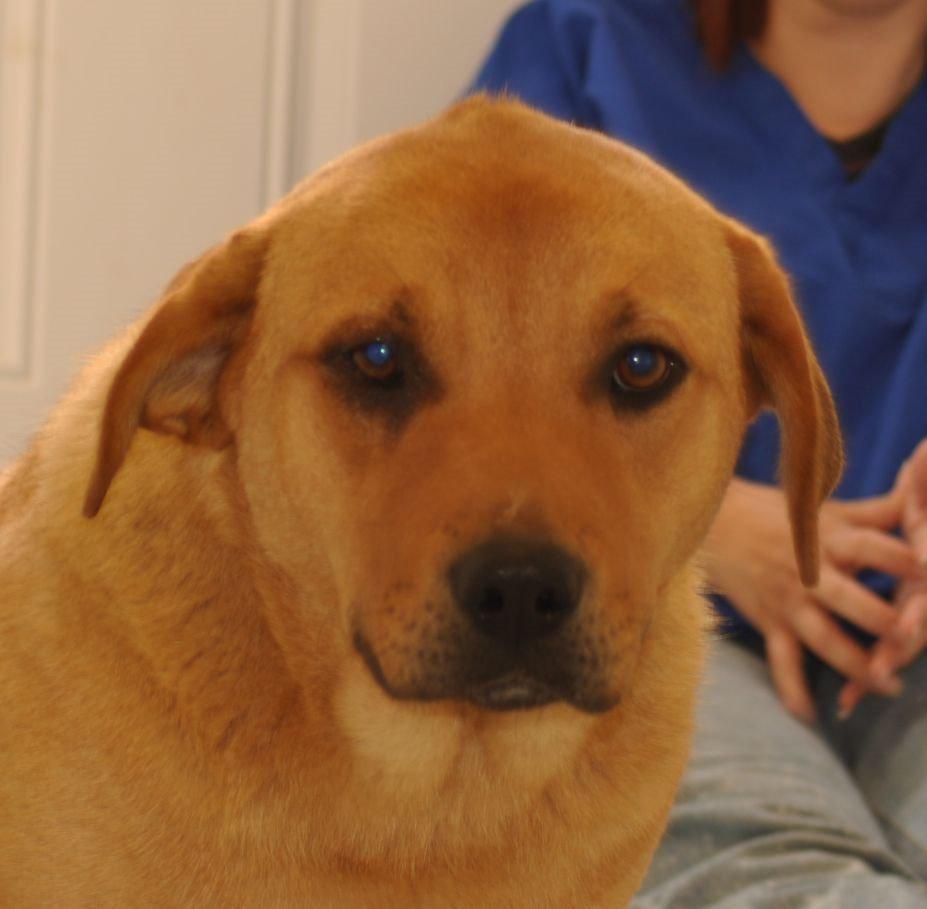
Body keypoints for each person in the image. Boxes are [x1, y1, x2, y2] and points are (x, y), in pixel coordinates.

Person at [470, 0, 927, 904]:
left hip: (907, 650)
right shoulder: (587, 49)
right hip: (663, 624)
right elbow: (456, 392)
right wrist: (710, 524)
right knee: (780, 882)